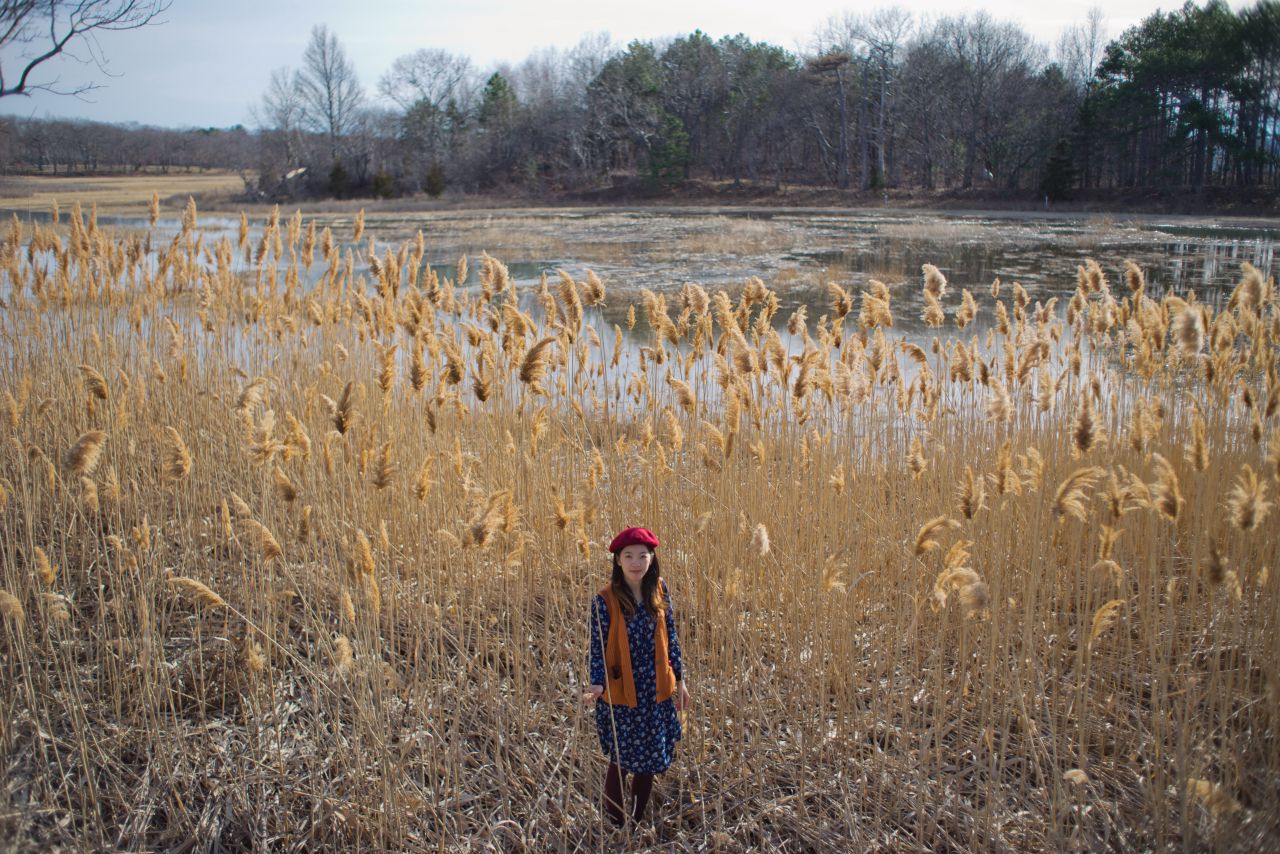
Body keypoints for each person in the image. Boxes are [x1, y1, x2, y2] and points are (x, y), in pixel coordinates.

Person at [582, 526, 690, 827]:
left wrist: (680, 680)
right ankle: (618, 826)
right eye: (628, 556)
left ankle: (637, 820)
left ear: (652, 558)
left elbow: (671, 637)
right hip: (623, 692)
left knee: (649, 761)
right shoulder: (604, 600)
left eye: (642, 556)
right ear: (618, 560)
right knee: (620, 762)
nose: (635, 563)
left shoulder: (659, 589)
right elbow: (597, 647)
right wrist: (597, 683)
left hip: (656, 690)